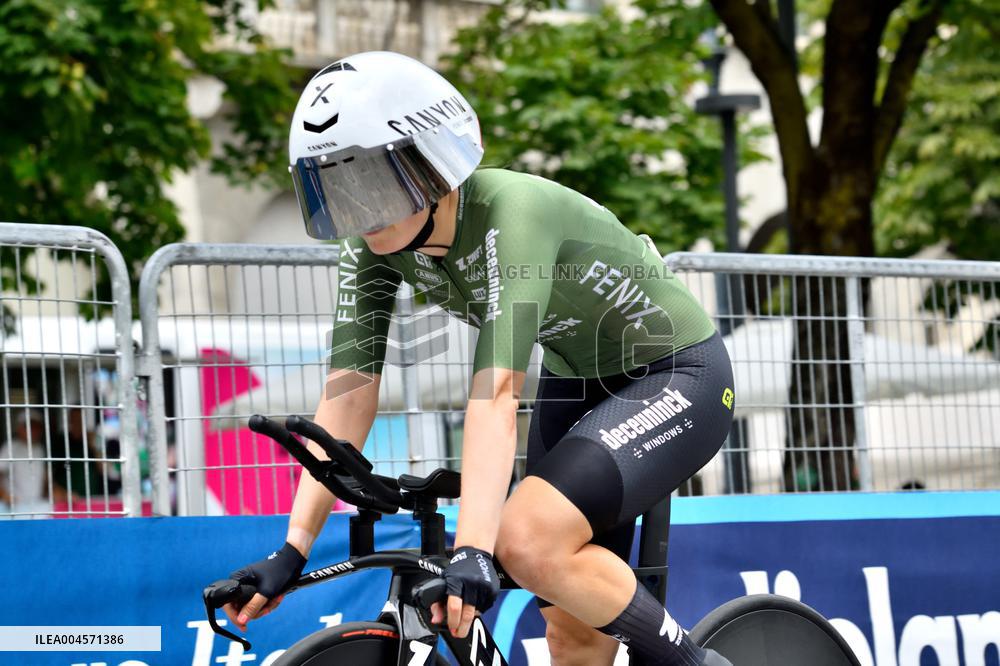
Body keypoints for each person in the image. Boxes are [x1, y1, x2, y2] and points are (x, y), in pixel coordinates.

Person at [225, 51, 736, 666]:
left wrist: (473, 548)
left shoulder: (509, 214)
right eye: (336, 187)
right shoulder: (370, 251)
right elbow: (347, 396)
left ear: (430, 162)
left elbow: (494, 396)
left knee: (523, 539)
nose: (357, 210)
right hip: (578, 380)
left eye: (368, 180)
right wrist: (293, 549)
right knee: (572, 635)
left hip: (677, 373)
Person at [0, 409, 51, 517]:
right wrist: (4, 495)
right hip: (12, 508)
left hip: (36, 507)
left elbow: (44, 479)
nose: (32, 430)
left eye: (36, 427)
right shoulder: (10, 447)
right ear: (19, 428)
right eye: (28, 426)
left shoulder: (40, 449)